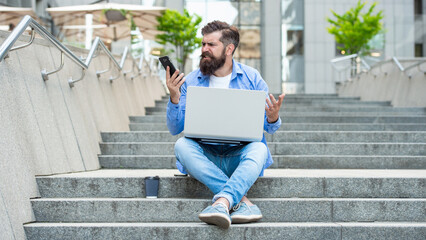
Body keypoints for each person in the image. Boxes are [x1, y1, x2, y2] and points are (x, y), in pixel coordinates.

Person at [165, 20, 285, 229]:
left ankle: (223, 202)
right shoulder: (191, 81)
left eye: (211, 45)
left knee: (259, 149)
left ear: (229, 49)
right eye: (203, 44)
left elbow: (270, 127)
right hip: (206, 156)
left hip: (237, 158)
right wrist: (174, 98)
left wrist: (273, 116)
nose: (204, 50)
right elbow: (175, 129)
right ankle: (240, 201)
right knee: (181, 146)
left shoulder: (251, 78)